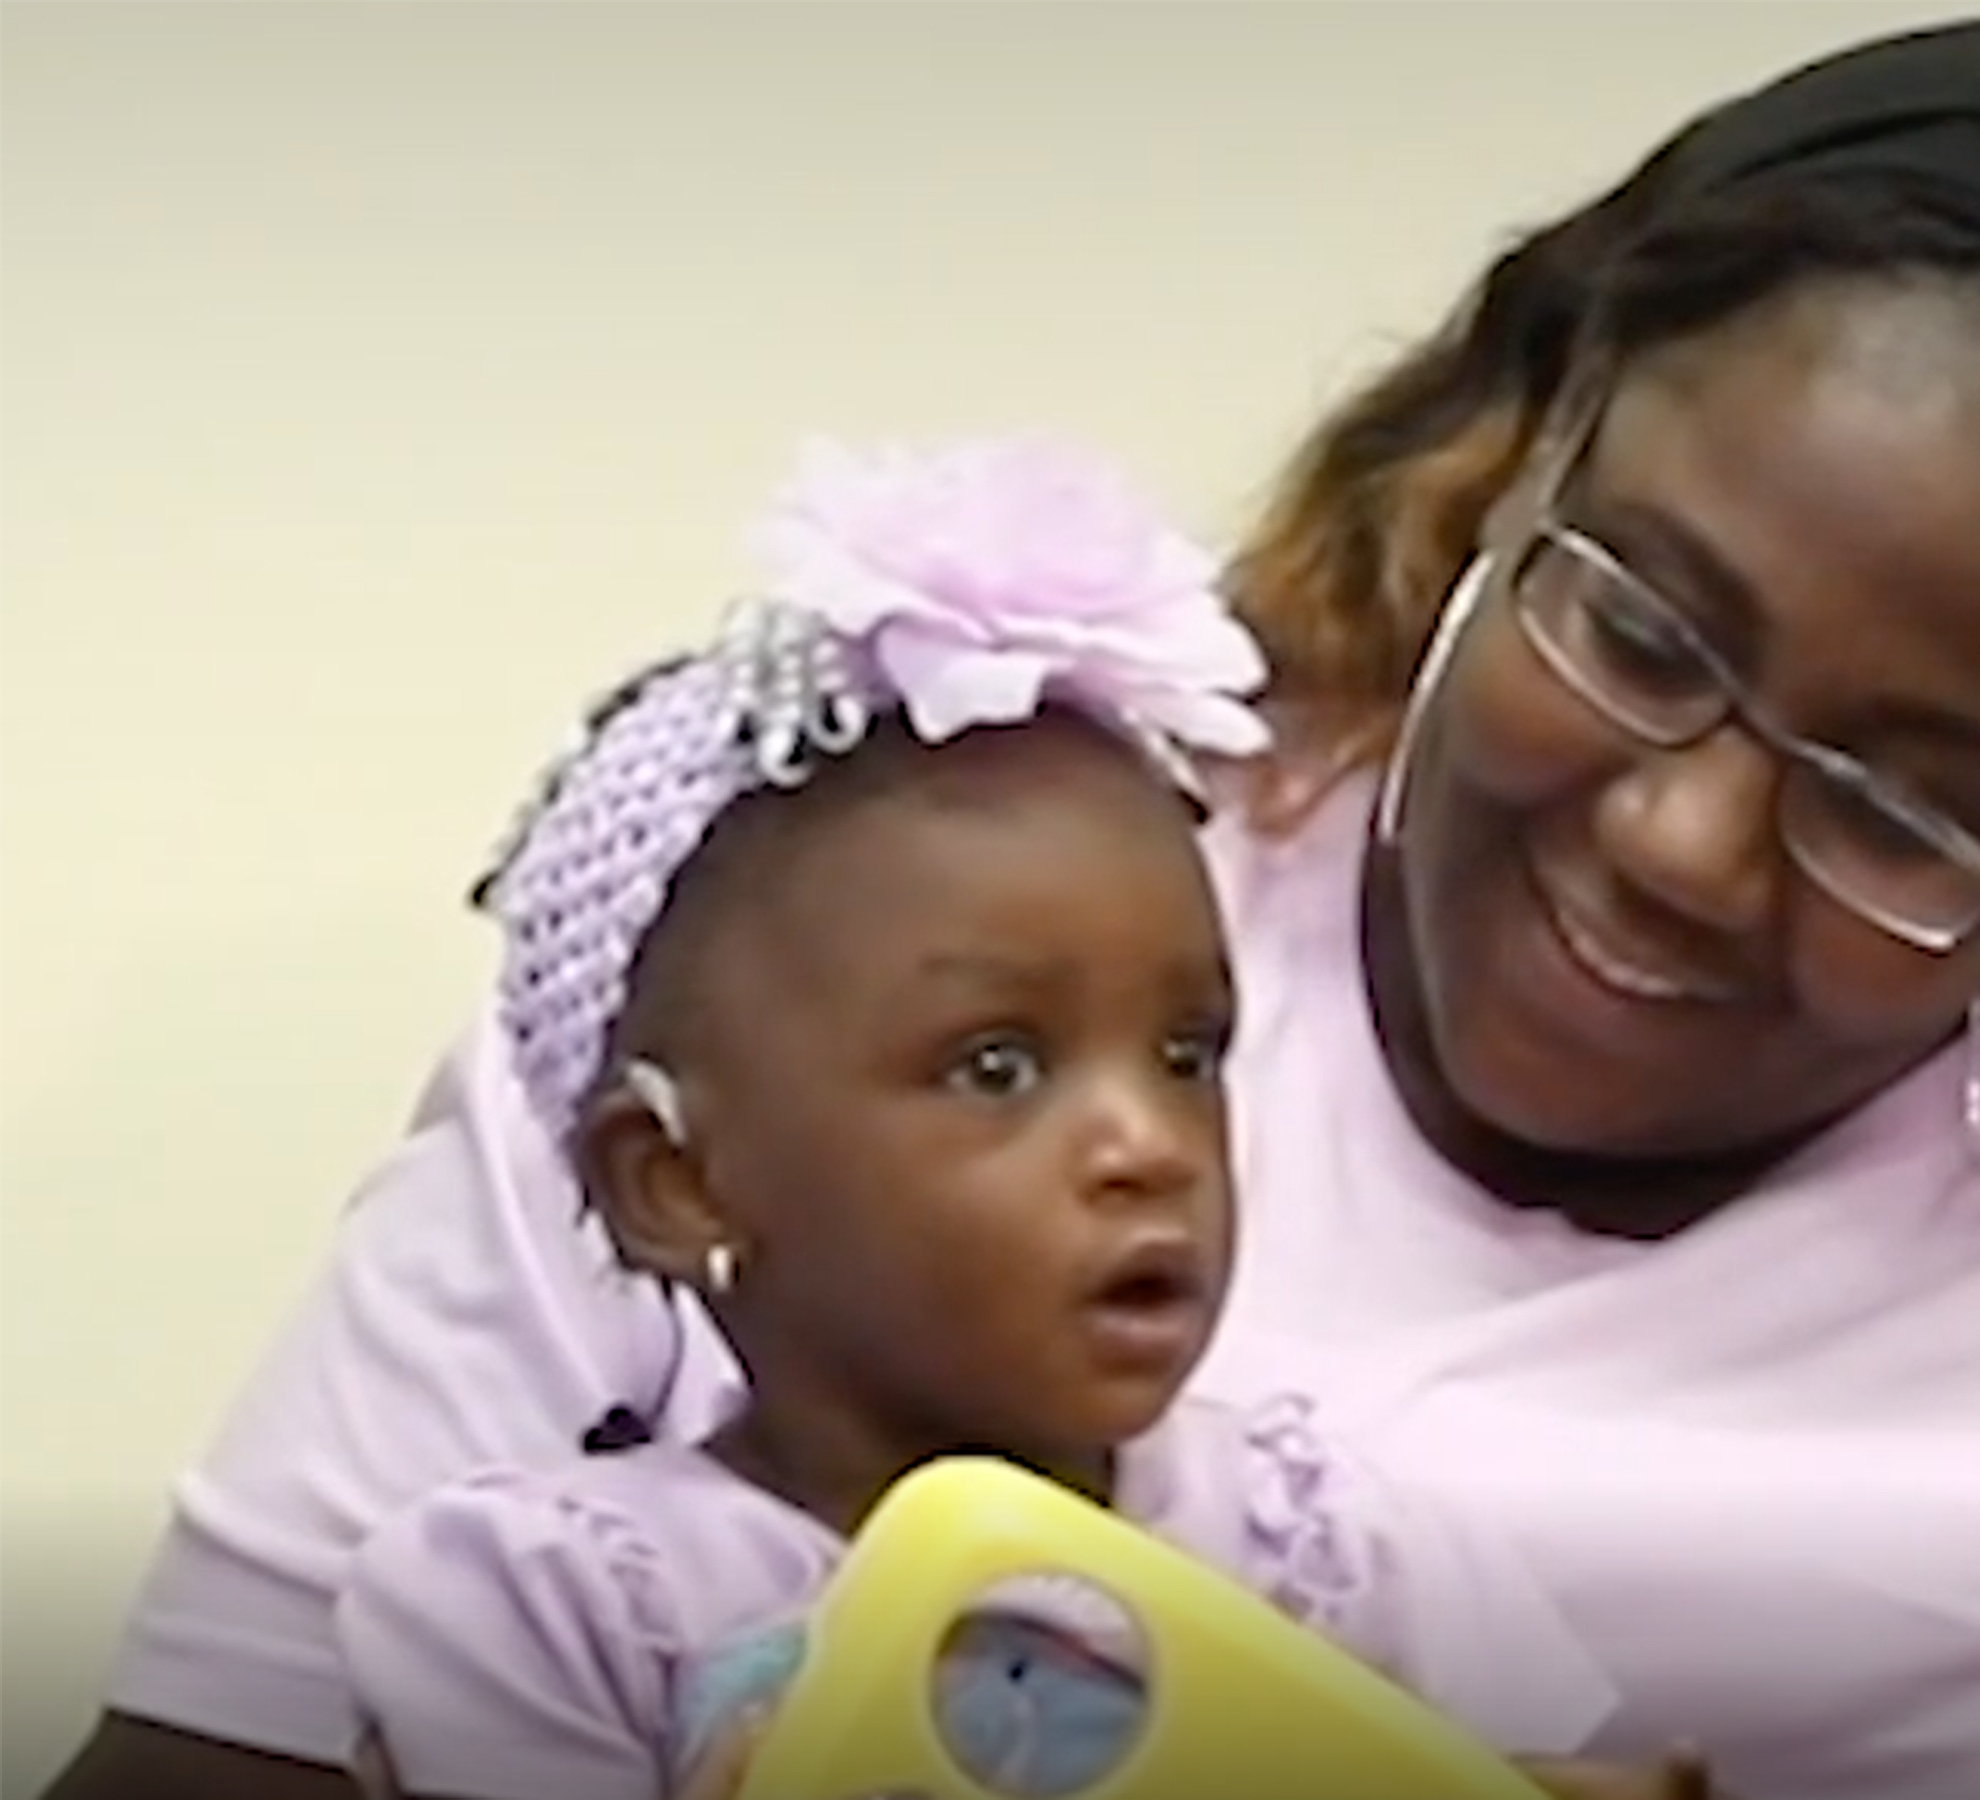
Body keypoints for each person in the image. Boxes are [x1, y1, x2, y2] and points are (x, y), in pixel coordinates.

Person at [45, 17, 1980, 1800]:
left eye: (1913, 800)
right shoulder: (832, 962)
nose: (1678, 845)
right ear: (1509, 444)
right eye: (1636, 625)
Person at [316, 434, 1634, 1800]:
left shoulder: (1347, 1551)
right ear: (676, 1185)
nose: (1149, 1147)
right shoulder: (550, 1611)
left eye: (1189, 1052)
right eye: (998, 1067)